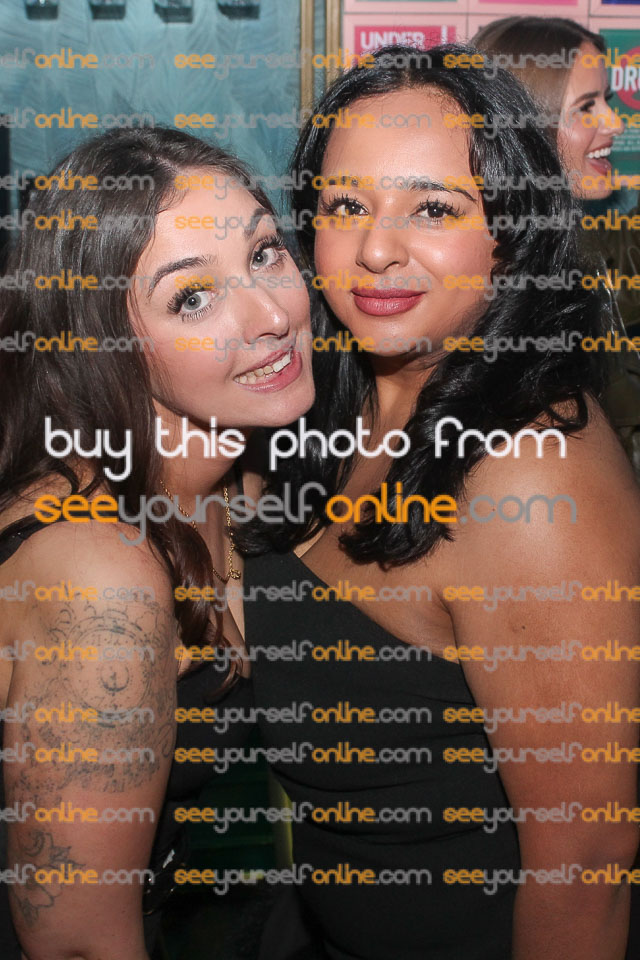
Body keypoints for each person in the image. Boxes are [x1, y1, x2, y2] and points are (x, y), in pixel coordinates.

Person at [240, 44, 640, 959]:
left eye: (432, 208)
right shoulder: (322, 408)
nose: (376, 249)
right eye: (346, 205)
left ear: (513, 232)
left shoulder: (530, 476)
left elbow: (587, 866)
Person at [0, 126, 314, 960]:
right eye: (193, 298)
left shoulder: (242, 482)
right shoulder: (101, 573)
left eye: (265, 253)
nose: (273, 316)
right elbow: (75, 945)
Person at [472, 16, 640, 474]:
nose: (613, 122)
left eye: (606, 101)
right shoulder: (482, 288)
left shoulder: (582, 249)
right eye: (586, 107)